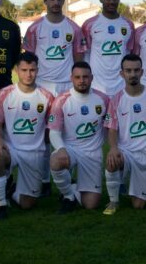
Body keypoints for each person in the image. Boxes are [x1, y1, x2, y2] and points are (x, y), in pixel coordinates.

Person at [0, 52, 55, 220]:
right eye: (24, 70)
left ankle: (12, 191)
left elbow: (50, 128)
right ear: (16, 70)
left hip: (34, 153)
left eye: (32, 70)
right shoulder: (5, 93)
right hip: (11, 149)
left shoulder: (47, 97)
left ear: (37, 70)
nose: (28, 74)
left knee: (28, 204)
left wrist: (47, 148)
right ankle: (0, 205)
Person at [102, 54, 146, 214]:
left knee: (138, 205)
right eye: (128, 71)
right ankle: (113, 201)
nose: (133, 74)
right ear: (122, 74)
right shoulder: (116, 99)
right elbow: (112, 129)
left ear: (142, 72)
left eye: (136, 70)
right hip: (127, 153)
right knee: (111, 160)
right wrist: (113, 148)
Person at [47, 61, 110, 212]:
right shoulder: (61, 100)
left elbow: (111, 128)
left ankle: (74, 187)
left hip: (92, 153)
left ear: (92, 78)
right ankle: (68, 196)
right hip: (71, 150)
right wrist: (61, 149)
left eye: (85, 77)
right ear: (71, 78)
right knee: (55, 160)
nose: (81, 80)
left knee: (91, 205)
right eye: (77, 77)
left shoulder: (104, 100)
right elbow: (54, 131)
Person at [22, 0, 85, 95]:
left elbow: (79, 59)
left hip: (67, 84)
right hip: (42, 83)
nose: (56, 2)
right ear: (45, 0)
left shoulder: (74, 28)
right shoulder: (34, 28)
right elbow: (29, 60)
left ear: (64, 0)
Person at [82, 0, 136, 96]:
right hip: (96, 85)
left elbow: (128, 53)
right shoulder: (89, 24)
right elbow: (85, 54)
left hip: (121, 85)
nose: (111, 1)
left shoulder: (128, 25)